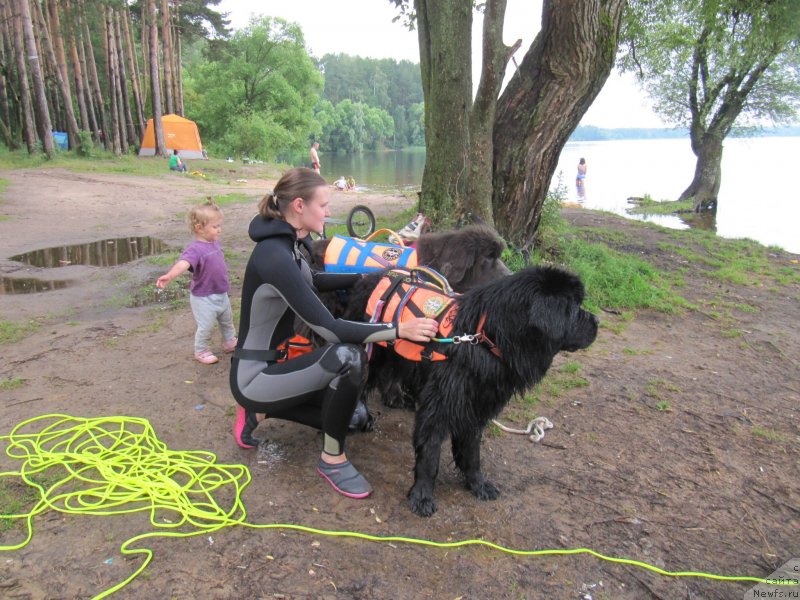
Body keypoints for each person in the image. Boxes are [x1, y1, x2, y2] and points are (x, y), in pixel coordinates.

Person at [229, 167, 438, 499]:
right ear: (299, 205)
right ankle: (332, 459)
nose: (329, 212)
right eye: (323, 205)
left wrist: (370, 276)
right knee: (348, 357)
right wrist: (400, 329)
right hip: (255, 376)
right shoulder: (273, 256)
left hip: (280, 369)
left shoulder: (291, 242)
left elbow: (311, 280)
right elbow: (331, 329)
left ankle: (259, 411)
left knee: (355, 417)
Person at [156, 200, 237, 365]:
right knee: (206, 325)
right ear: (200, 228)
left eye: (219, 225)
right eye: (215, 227)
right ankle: (201, 350)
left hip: (220, 292)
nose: (219, 230)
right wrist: (170, 275)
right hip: (204, 297)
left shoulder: (214, 243)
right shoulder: (195, 249)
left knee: (227, 320)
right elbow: (183, 263)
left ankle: (230, 342)